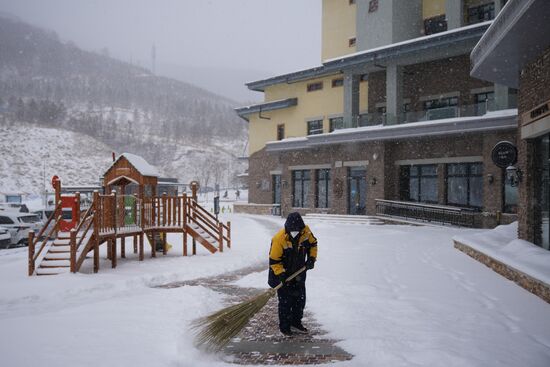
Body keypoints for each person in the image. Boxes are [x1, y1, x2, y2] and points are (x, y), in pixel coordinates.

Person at [268, 212, 317, 336]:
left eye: (297, 230)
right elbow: (274, 261)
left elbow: (313, 244)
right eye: (292, 230)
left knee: (299, 300)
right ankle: (284, 326)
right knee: (285, 301)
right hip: (281, 275)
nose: (295, 232)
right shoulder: (279, 239)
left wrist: (311, 258)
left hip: (299, 272)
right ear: (287, 228)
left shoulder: (305, 232)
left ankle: (296, 322)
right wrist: (281, 274)